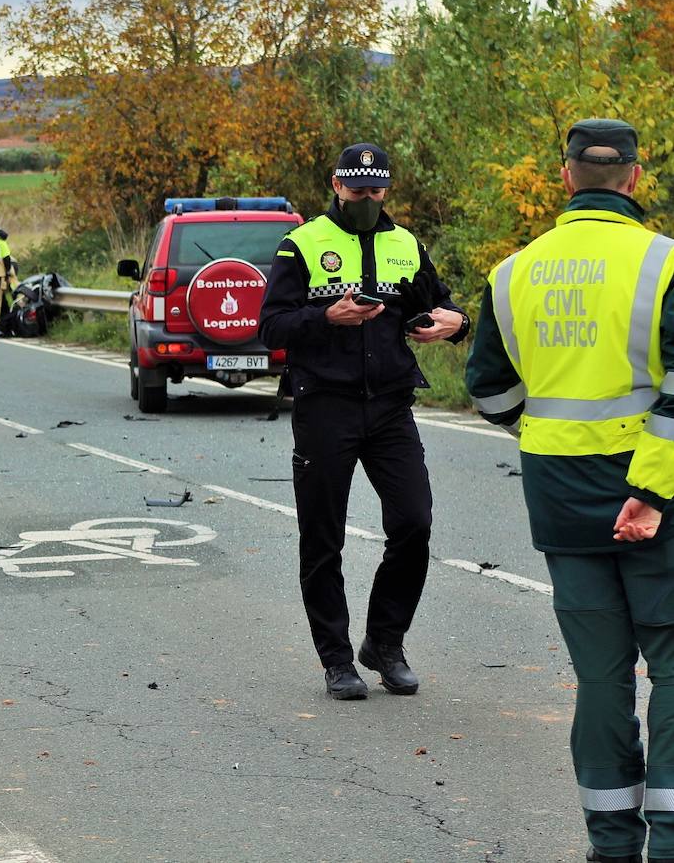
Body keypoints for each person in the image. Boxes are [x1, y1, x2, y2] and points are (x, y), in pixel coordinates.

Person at [466, 119, 674, 863]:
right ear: (635, 178)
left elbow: (490, 393)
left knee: (600, 678)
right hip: (657, 504)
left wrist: (551, 423)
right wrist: (649, 493)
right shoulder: (664, 263)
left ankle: (611, 847)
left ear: (564, 179)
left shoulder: (513, 272)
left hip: (560, 495)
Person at [258, 142, 469, 700]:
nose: (367, 200)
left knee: (414, 524)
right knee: (323, 539)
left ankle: (384, 642)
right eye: (357, 191)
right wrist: (326, 316)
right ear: (336, 185)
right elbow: (271, 327)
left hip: (391, 406)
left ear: (387, 189)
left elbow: (441, 305)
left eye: (376, 191)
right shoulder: (301, 245)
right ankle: (336, 660)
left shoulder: (406, 245)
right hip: (325, 406)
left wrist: (455, 323)